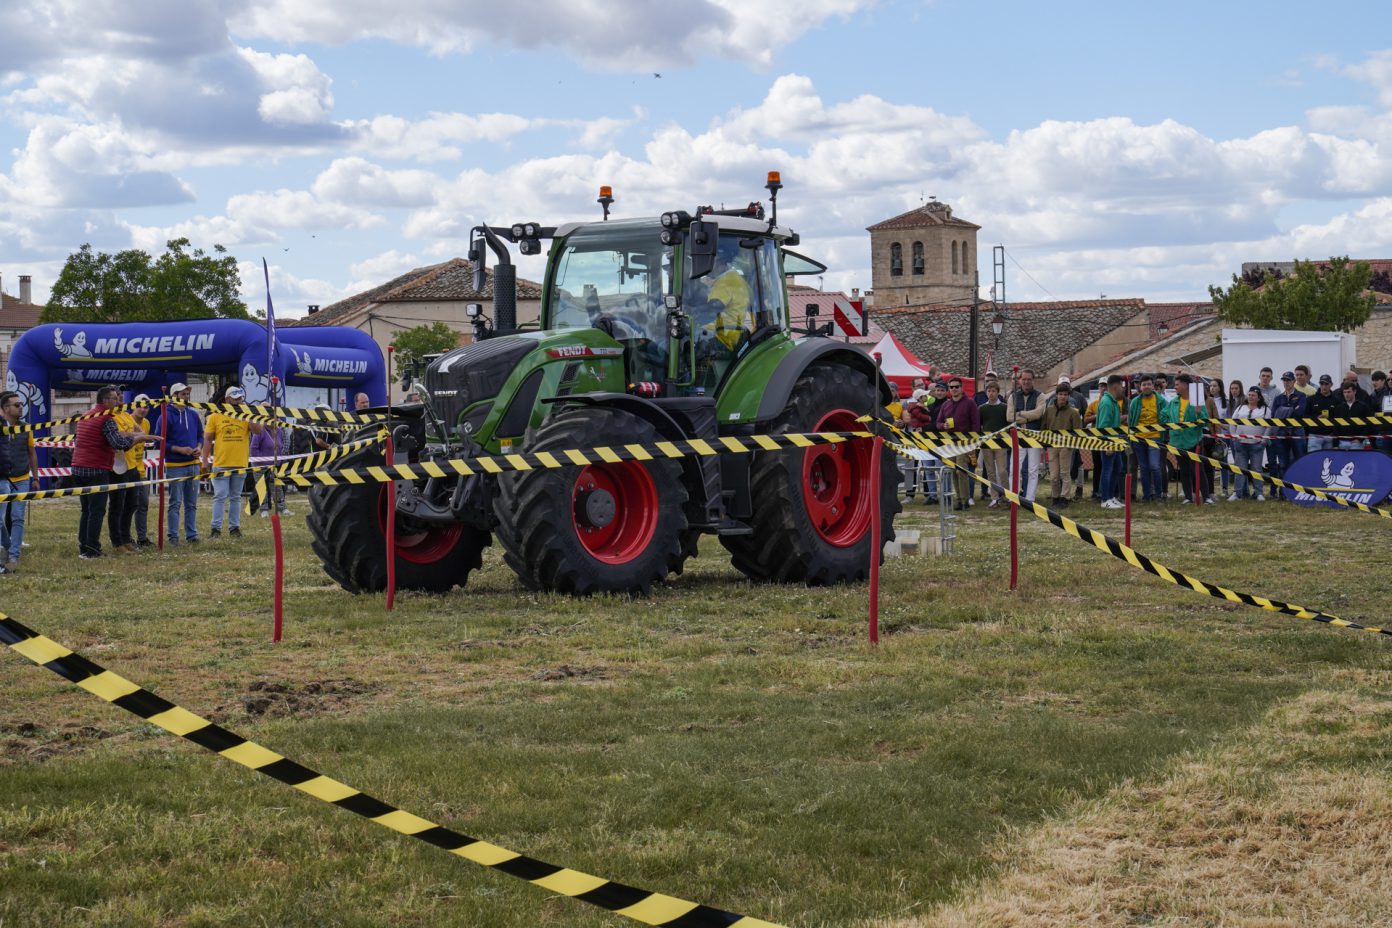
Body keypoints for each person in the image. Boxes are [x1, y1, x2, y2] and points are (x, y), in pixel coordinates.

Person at [71, 385, 162, 559]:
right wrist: (139, 438)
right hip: (96, 469)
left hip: (78, 467)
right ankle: (92, 550)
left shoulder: (86, 415)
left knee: (87, 510)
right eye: (114, 398)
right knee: (96, 511)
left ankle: (84, 546)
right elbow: (119, 444)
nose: (118, 400)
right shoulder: (107, 419)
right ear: (105, 401)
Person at [201, 386, 263, 538]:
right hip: (221, 462)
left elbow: (258, 431)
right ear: (227, 399)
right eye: (235, 399)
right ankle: (215, 529)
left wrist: (247, 413)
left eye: (240, 398)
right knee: (220, 495)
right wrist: (204, 461)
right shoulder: (215, 415)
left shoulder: (245, 413)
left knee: (236, 497)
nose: (238, 401)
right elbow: (207, 439)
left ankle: (234, 528)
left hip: (240, 462)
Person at [149, 383, 203, 545]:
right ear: (174, 396)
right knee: (175, 503)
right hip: (175, 466)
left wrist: (199, 448)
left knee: (191, 504)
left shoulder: (193, 414)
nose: (186, 397)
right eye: (183, 394)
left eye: (187, 394)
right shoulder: (165, 416)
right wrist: (179, 449)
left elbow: (201, 435)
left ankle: (191, 535)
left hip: (193, 464)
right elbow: (159, 443)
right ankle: (173, 536)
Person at [0, 391, 37, 574]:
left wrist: (36, 477)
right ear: (6, 409)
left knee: (17, 517)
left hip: (22, 479)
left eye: (21, 404)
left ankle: (14, 554)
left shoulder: (26, 428)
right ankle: (7, 546)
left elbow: (32, 453)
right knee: (1, 520)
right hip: (3, 478)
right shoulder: (1, 426)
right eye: (16, 405)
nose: (21, 407)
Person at [1164, 374, 1211, 504]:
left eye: (1177, 384)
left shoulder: (1197, 401)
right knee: (1183, 470)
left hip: (1194, 440)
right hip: (1178, 442)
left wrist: (1198, 413)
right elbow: (1164, 415)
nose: (1175, 387)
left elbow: (1205, 422)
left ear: (1185, 385)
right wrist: (1169, 423)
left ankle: (1206, 497)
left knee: (1198, 470)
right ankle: (1188, 497)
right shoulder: (1173, 402)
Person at [935, 377, 980, 510]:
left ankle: (965, 500)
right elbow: (938, 423)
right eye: (952, 387)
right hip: (950, 444)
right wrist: (943, 425)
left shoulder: (970, 403)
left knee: (961, 471)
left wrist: (972, 443)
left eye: (956, 386)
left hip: (965, 443)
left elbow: (976, 424)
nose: (954, 389)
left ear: (962, 388)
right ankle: (959, 500)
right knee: (953, 471)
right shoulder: (946, 405)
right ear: (949, 389)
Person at [119, 396, 154, 548]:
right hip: (127, 469)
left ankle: (142, 537)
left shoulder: (146, 423)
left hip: (141, 470)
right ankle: (123, 537)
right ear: (134, 406)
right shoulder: (127, 420)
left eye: (146, 407)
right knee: (127, 506)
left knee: (143, 504)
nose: (143, 409)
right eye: (140, 406)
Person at [1006, 368, 1045, 500]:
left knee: (1033, 470)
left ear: (1033, 380)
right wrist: (1030, 416)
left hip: (1034, 437)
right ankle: (1014, 498)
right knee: (1013, 469)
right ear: (1020, 380)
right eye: (1024, 379)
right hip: (1018, 437)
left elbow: (1039, 413)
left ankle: (1030, 499)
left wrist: (1021, 414)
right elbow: (1010, 417)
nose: (1026, 382)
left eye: (1029, 379)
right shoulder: (1013, 397)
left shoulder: (1040, 396)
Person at [1040, 383, 1082, 507]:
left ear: (1068, 396)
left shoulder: (1073, 412)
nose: (1062, 397)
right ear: (1056, 396)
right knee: (1053, 475)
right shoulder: (1049, 411)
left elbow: (1077, 431)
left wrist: (1071, 444)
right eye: (1060, 394)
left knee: (1064, 473)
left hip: (1066, 446)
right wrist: (1045, 443)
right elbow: (1044, 427)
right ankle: (1055, 496)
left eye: (1065, 395)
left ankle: (1065, 497)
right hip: (1052, 446)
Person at [1126, 374, 1165, 502]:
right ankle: (1146, 496)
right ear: (1140, 387)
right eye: (1144, 385)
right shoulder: (1135, 402)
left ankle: (1159, 495)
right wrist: (1131, 437)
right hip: (1138, 438)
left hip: (1155, 436)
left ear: (1153, 386)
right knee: (1143, 468)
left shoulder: (1161, 401)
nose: (1146, 386)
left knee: (1154, 466)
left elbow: (1166, 418)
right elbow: (1130, 420)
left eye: (1149, 384)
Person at [1228, 387, 1270, 501]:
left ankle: (1259, 493)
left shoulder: (1265, 410)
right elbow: (1232, 423)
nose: (1250, 397)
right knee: (1239, 469)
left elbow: (1269, 426)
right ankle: (1237, 493)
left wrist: (1263, 441)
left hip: (1257, 444)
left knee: (1257, 469)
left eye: (1253, 395)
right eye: (1249, 394)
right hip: (1240, 444)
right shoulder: (1240, 408)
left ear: (1259, 397)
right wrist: (1233, 437)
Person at [1097, 374, 1127, 509]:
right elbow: (1103, 426)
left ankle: (1111, 497)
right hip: (1108, 443)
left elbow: (1113, 423)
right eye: (1122, 386)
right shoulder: (1107, 402)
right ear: (1115, 386)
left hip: (1116, 442)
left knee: (1118, 468)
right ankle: (1105, 499)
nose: (1123, 389)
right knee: (1107, 470)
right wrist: (1107, 445)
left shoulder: (1113, 402)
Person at [1269, 372, 1307, 478]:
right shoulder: (1278, 398)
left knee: (1299, 460)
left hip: (1297, 431)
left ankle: (1300, 488)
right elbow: (1274, 415)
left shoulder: (1301, 395)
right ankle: (1284, 491)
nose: (1286, 382)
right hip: (1282, 432)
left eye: (1288, 380)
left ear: (1294, 381)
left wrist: (1283, 411)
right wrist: (1291, 410)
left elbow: (1299, 412)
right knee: (1283, 463)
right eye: (1284, 380)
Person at [976, 381, 1009, 507]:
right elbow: (979, 425)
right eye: (989, 391)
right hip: (986, 443)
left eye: (993, 391)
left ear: (997, 392)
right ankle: (994, 497)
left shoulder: (1004, 407)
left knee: (1002, 471)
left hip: (1001, 443)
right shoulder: (982, 408)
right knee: (990, 471)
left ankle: (1007, 496)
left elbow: (1008, 424)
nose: (991, 393)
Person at [251, 423, 292, 516]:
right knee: (262, 487)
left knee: (277, 487)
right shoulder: (259, 431)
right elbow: (253, 449)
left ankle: (283, 508)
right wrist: (263, 461)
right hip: (260, 465)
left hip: (274, 465)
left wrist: (281, 461)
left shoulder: (279, 431)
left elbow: (280, 448)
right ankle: (264, 510)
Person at [1330, 382, 1373, 450]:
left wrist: (1360, 439)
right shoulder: (1339, 408)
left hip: (1357, 444)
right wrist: (1335, 444)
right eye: (1345, 392)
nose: (1346, 394)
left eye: (1349, 392)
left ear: (1355, 391)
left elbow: (1368, 425)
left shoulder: (1363, 407)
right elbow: (1336, 427)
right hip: (1342, 443)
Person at [1304, 374, 1339, 452]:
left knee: (1328, 462)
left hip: (1329, 435)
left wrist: (1335, 442)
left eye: (1326, 384)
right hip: (1314, 435)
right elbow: (1304, 416)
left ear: (1331, 385)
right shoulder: (1311, 399)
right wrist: (1316, 418)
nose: (1324, 386)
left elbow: (1338, 420)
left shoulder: (1336, 400)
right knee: (1313, 461)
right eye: (1322, 384)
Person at [1370, 370, 1392, 453]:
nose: (1374, 383)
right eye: (1373, 380)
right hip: (1381, 431)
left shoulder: (1386, 393)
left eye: (1377, 380)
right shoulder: (1374, 395)